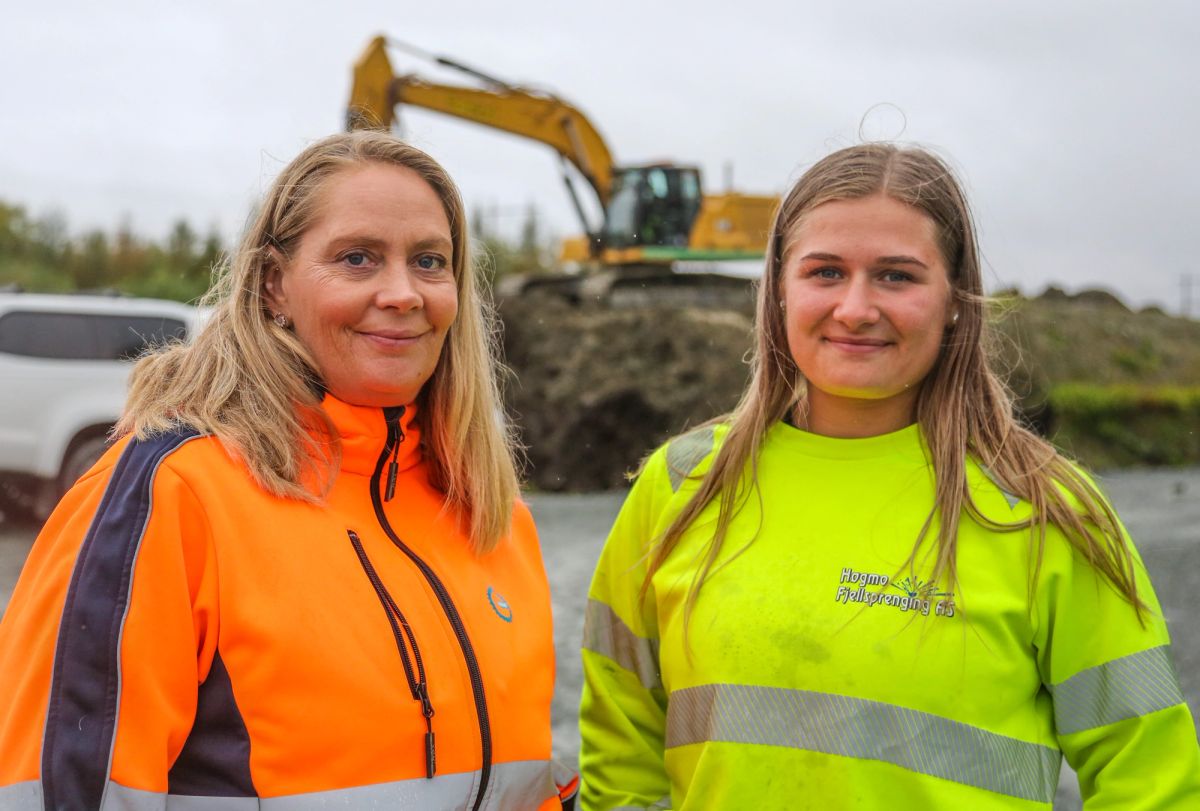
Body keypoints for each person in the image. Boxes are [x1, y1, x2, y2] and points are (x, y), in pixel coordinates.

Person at [578, 143, 1200, 809]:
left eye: (896, 276)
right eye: (824, 272)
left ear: (956, 299)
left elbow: (1149, 779)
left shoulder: (1045, 507)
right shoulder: (683, 485)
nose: (855, 307)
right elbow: (619, 753)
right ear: (778, 290)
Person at [0, 131, 576, 809]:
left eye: (429, 260)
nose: (402, 292)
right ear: (275, 282)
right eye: (357, 258)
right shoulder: (175, 495)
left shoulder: (495, 518)